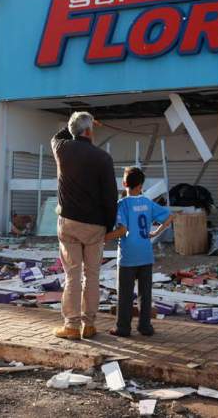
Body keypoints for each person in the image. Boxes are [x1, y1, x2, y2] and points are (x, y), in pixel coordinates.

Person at [50, 112, 118, 340]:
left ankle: (70, 325)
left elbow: (57, 136)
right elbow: (110, 196)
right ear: (89, 132)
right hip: (95, 224)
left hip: (68, 222)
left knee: (72, 275)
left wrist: (79, 124)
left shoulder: (62, 149)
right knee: (92, 275)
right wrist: (109, 226)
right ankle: (88, 325)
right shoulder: (103, 158)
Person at [105, 167, 174, 337]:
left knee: (125, 294)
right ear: (141, 185)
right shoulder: (148, 203)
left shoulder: (121, 205)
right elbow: (170, 216)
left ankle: (123, 328)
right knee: (145, 294)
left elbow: (122, 230)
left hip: (128, 256)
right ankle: (145, 327)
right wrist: (155, 233)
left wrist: (103, 238)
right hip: (145, 254)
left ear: (124, 183)